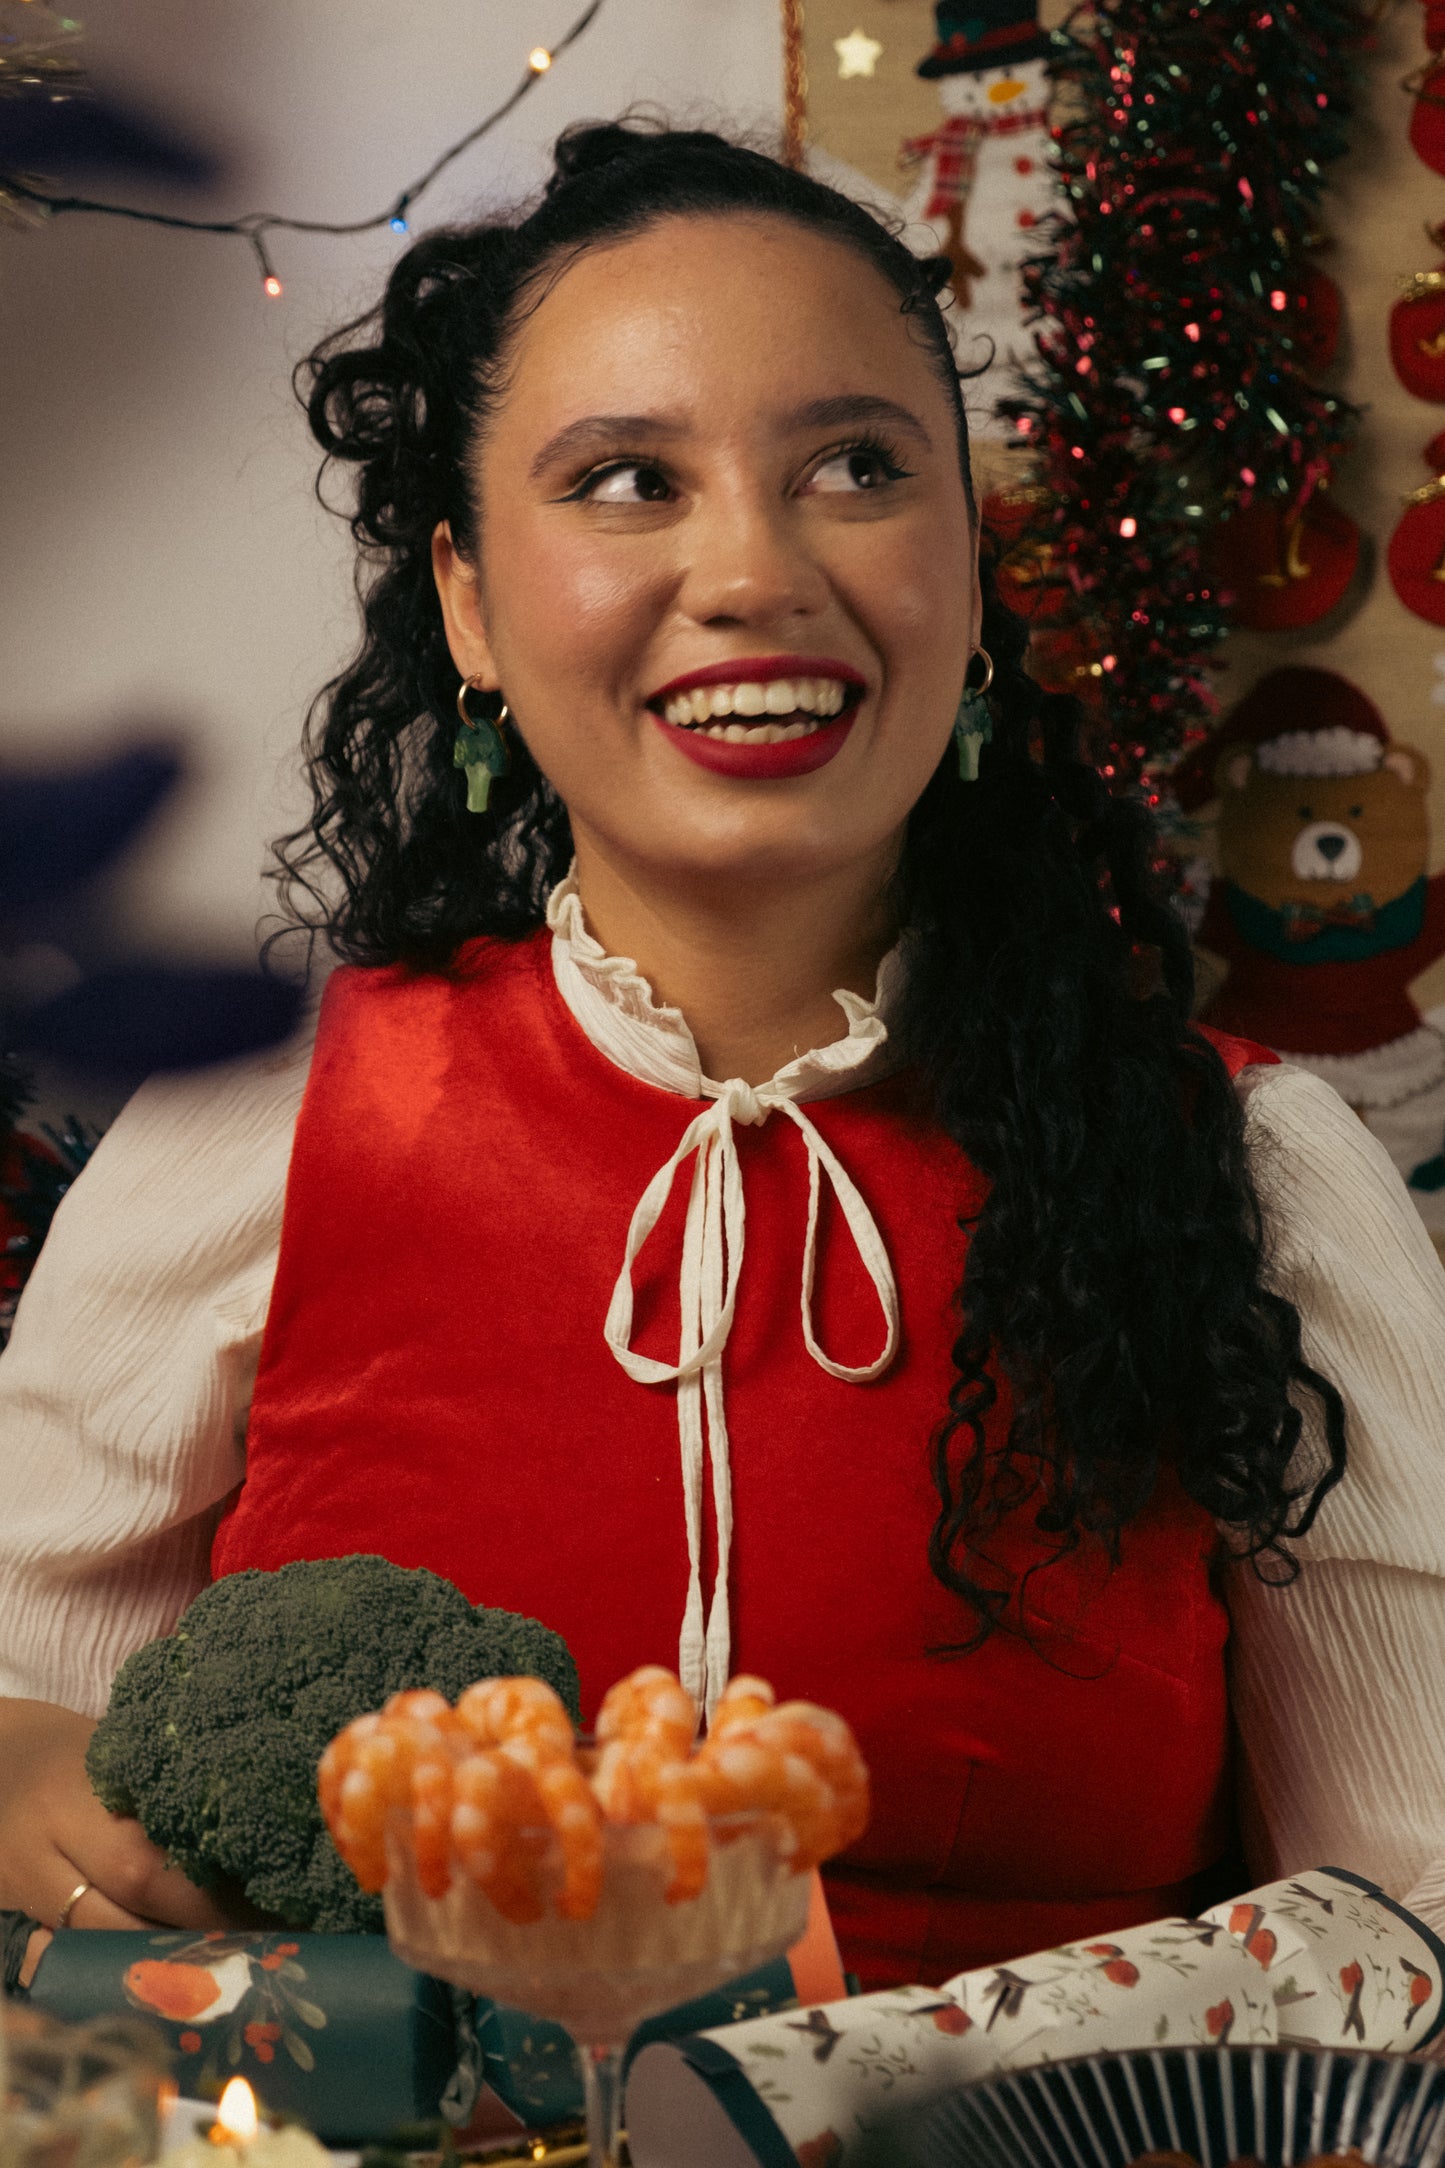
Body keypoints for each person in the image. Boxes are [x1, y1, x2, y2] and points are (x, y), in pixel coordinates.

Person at [2, 121, 1444, 1992]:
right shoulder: (255, 1130)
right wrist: (30, 1789)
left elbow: (1406, 1921)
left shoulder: (1249, 1169)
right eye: (626, 481)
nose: (752, 572)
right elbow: (44, 1767)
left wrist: (878, 2072)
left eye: (855, 467)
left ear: (967, 568)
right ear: (468, 602)